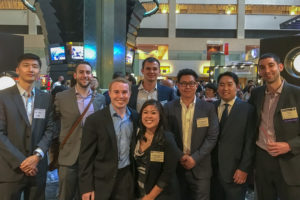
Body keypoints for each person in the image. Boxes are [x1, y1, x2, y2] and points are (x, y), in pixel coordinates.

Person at [0, 53, 56, 200]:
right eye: (26, 65)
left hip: (37, 168)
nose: (31, 69)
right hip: (10, 169)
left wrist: (37, 156)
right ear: (17, 70)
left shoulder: (46, 98)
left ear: (39, 72)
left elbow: (50, 129)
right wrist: (22, 162)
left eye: (35, 66)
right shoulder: (3, 97)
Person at [249, 53, 300, 200]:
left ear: (280, 67)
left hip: (290, 160)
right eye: (262, 67)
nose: (267, 70)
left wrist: (289, 145)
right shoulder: (256, 94)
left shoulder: (297, 94)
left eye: (271, 65)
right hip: (262, 159)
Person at [79, 78, 139, 200]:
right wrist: (87, 187)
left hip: (127, 178)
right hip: (101, 181)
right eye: (116, 92)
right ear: (109, 93)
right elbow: (86, 157)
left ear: (130, 94)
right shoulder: (94, 120)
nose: (120, 96)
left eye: (124, 92)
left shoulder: (136, 117)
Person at [54, 61, 106, 200]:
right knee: (65, 195)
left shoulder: (100, 99)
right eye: (81, 72)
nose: (85, 75)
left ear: (92, 76)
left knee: (87, 195)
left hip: (92, 155)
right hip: (69, 155)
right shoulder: (61, 97)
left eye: (88, 72)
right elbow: (54, 123)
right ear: (75, 75)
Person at [164, 69, 219, 200]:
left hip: (201, 168)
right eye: (183, 83)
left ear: (197, 85)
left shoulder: (208, 108)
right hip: (176, 167)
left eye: (191, 83)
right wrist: (180, 156)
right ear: (178, 85)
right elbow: (166, 135)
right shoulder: (168, 107)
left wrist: (195, 158)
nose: (187, 86)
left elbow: (212, 137)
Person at [210, 72, 255, 200]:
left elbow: (250, 142)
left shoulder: (248, 109)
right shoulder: (210, 107)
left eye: (230, 84)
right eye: (222, 85)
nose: (225, 88)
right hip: (212, 171)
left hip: (235, 172)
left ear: (237, 86)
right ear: (217, 87)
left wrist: (244, 168)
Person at [134, 99, 180, 200]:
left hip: (161, 194)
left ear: (160, 116)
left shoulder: (167, 139)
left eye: (153, 113)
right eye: (145, 112)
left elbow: (167, 173)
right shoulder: (137, 135)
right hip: (140, 192)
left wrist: (150, 197)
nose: (149, 116)